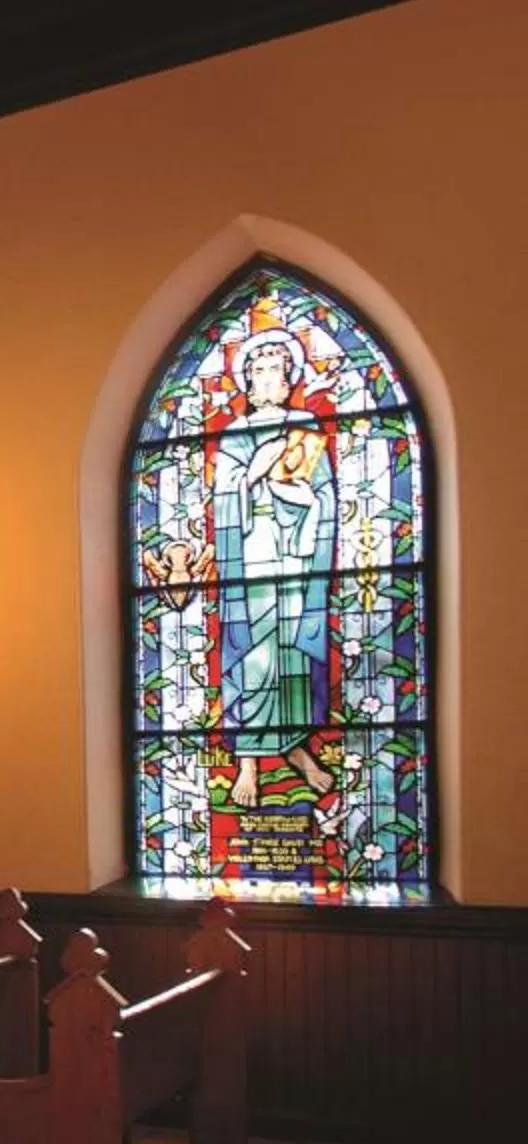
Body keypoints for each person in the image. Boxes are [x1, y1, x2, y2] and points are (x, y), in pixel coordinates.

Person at [211, 324, 336, 809]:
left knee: (293, 655)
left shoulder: (304, 426)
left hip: (297, 553)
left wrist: (310, 503)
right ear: (245, 382)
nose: (266, 380)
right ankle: (247, 761)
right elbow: (225, 502)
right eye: (257, 372)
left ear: (289, 380)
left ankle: (298, 750)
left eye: (275, 372)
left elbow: (324, 495)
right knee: (257, 655)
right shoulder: (234, 436)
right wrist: (255, 472)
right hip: (253, 551)